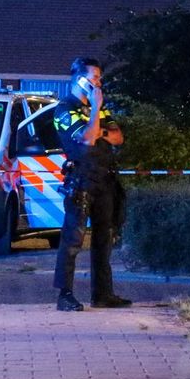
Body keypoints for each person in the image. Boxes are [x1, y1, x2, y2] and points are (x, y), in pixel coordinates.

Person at [52, 57, 130, 311]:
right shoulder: (64, 109)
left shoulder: (101, 110)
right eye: (95, 77)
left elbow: (117, 137)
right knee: (73, 239)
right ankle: (65, 295)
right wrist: (96, 111)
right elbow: (86, 139)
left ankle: (103, 294)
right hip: (81, 180)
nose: (99, 82)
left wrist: (99, 128)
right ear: (80, 79)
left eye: (99, 78)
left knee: (104, 238)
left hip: (105, 178)